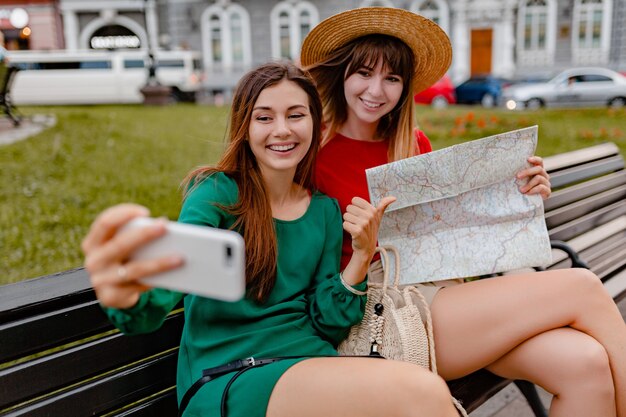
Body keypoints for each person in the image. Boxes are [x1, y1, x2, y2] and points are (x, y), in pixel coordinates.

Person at [81, 61, 459, 417]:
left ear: (315, 123)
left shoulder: (323, 211)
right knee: (424, 393)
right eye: (264, 117)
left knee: (420, 396)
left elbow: (327, 323)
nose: (282, 130)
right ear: (245, 126)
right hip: (231, 375)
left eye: (296, 115)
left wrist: (360, 256)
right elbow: (173, 273)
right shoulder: (217, 193)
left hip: (311, 364)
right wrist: (131, 298)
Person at [301, 7, 626, 417]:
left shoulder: (411, 143)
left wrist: (521, 196)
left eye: (392, 78)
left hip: (447, 298)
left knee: (586, 366)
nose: (376, 89)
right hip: (385, 315)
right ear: (342, 74)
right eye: (364, 73)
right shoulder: (314, 155)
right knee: (581, 286)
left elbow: (452, 234)